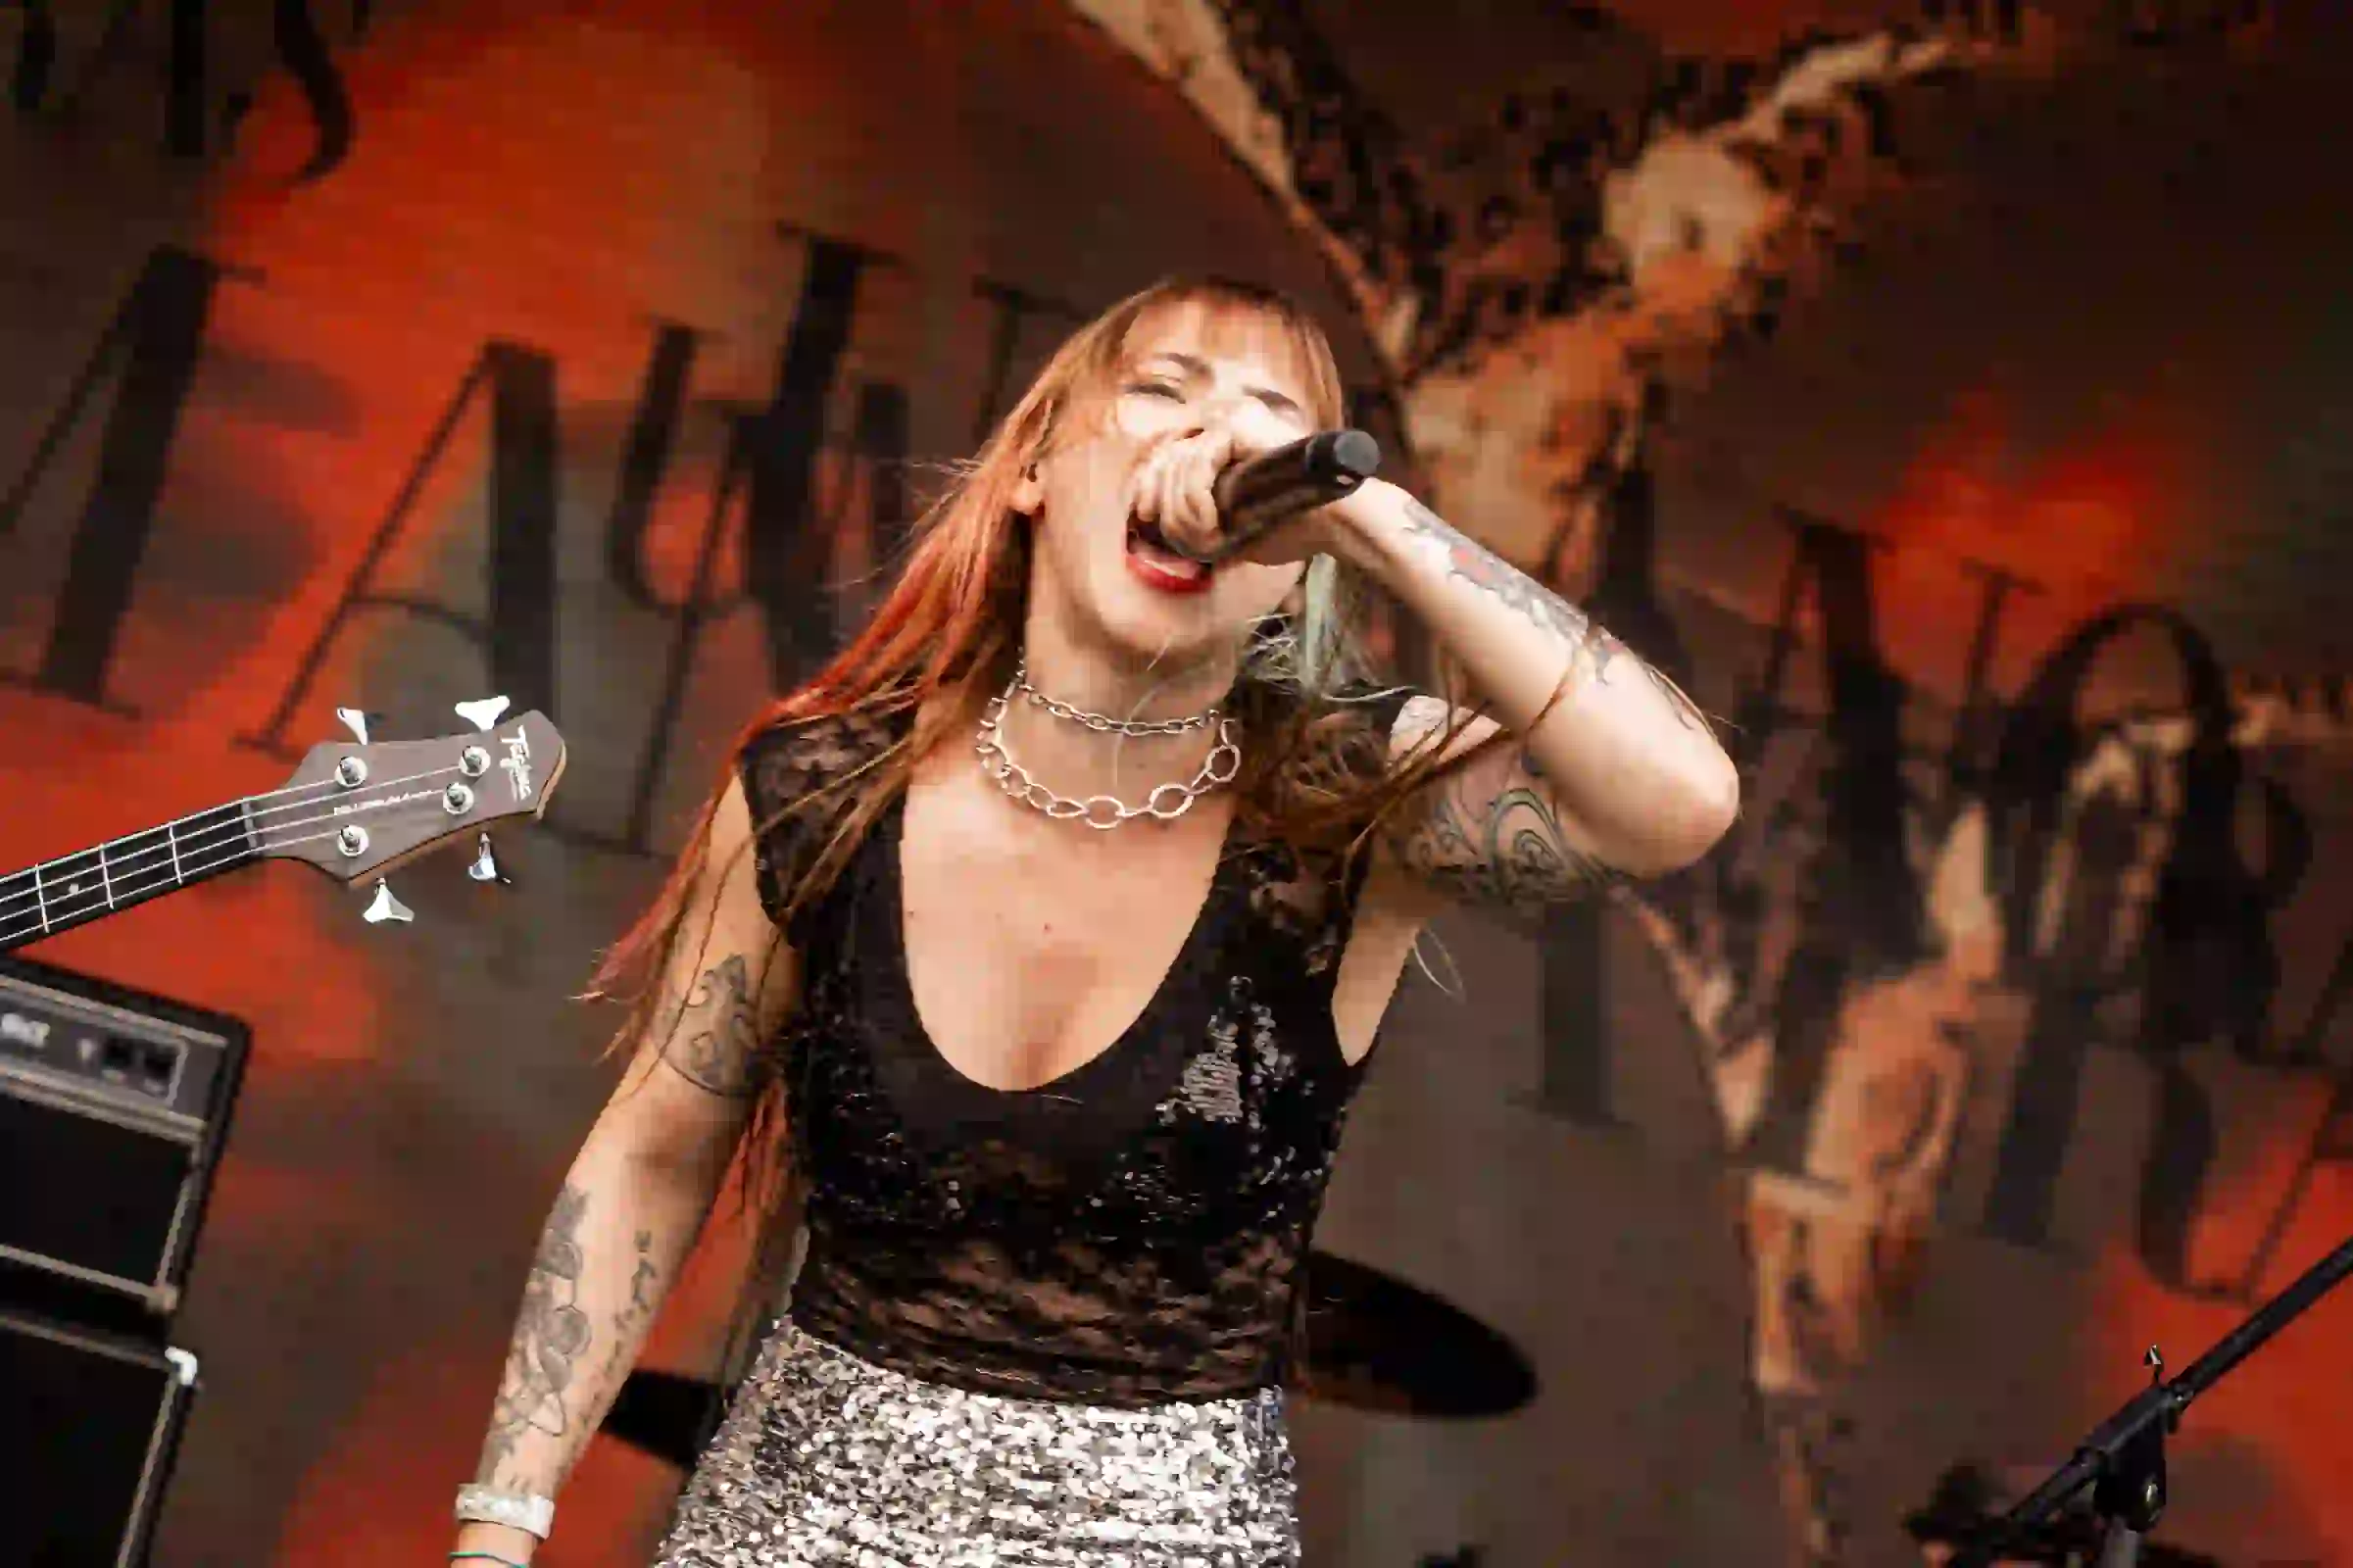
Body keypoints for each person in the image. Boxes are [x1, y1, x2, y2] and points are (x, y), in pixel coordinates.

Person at [444, 275, 1738, 1568]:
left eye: (1269, 433)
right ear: (1036, 471)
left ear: (1291, 564)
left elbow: (1675, 802)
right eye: (1166, 393)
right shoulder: (822, 791)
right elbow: (657, 1149)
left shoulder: (1349, 803)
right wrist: (502, 1526)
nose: (1215, 446)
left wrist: (1381, 523)